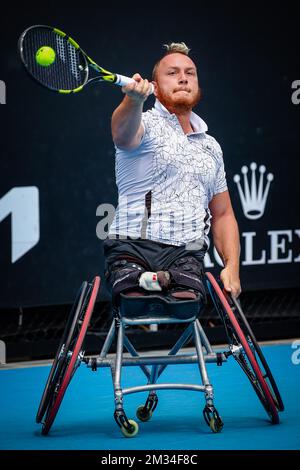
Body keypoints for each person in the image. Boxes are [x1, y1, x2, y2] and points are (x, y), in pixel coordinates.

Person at [103, 42, 241, 308]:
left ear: (198, 84)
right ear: (154, 85)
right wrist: (132, 100)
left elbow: (223, 214)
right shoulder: (142, 122)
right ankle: (149, 279)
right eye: (173, 73)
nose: (183, 78)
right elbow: (121, 133)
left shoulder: (211, 146)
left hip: (186, 253)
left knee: (186, 302)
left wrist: (232, 267)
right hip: (131, 247)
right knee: (132, 298)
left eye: (190, 73)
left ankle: (163, 279)